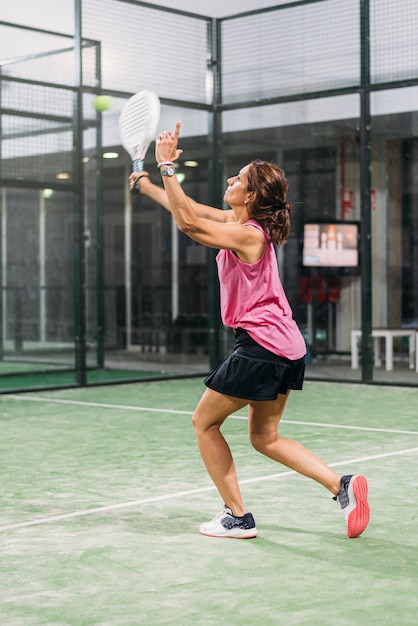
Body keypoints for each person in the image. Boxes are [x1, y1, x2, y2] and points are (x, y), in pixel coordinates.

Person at [129, 122, 370, 540]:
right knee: (265, 437)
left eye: (238, 179)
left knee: (203, 423)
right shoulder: (242, 226)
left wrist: (167, 165)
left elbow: (189, 224)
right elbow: (193, 210)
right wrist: (150, 186)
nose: (229, 180)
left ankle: (236, 517)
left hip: (261, 345)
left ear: (252, 195)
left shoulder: (246, 236)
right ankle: (342, 486)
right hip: (288, 345)